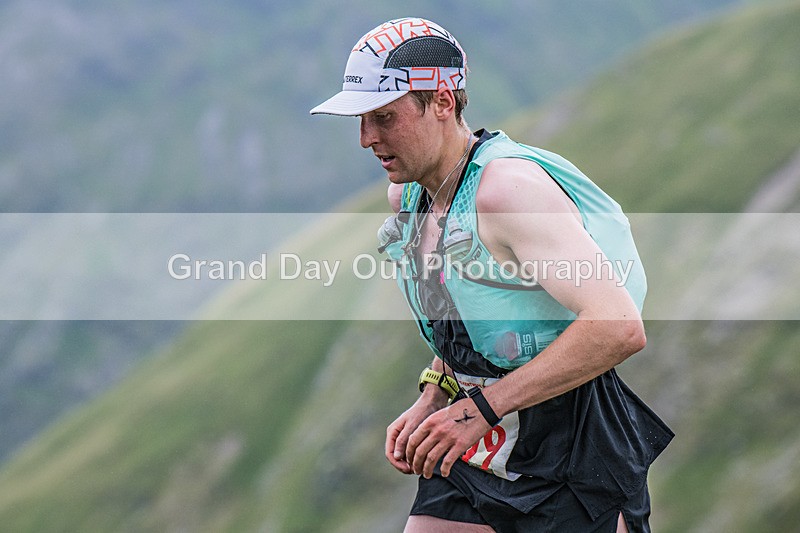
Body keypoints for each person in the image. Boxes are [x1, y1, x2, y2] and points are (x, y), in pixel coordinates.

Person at [311, 17, 673, 533]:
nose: (367, 138)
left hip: (572, 444)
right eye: (361, 120)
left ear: (441, 101)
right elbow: (471, 305)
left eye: (384, 117)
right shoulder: (409, 196)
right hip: (478, 435)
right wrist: (437, 390)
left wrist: (481, 409)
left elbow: (619, 327)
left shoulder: (508, 193)